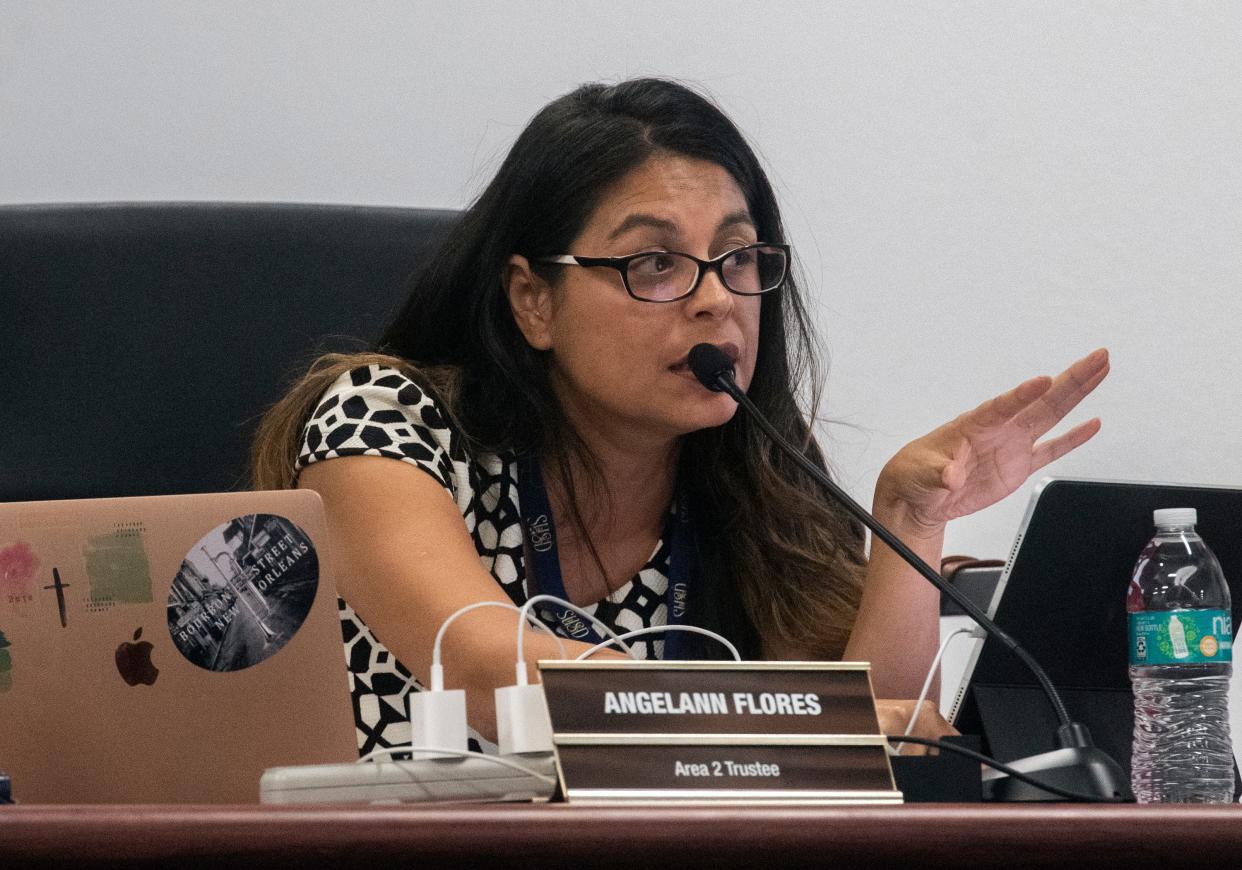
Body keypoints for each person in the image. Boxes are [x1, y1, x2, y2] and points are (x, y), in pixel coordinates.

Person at [250, 78, 1108, 757]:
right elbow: (480, 664)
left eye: (737, 258)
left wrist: (909, 525)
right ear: (532, 302)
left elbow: (875, 751)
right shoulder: (387, 421)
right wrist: (790, 727)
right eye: (656, 263)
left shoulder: (754, 472)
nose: (713, 301)